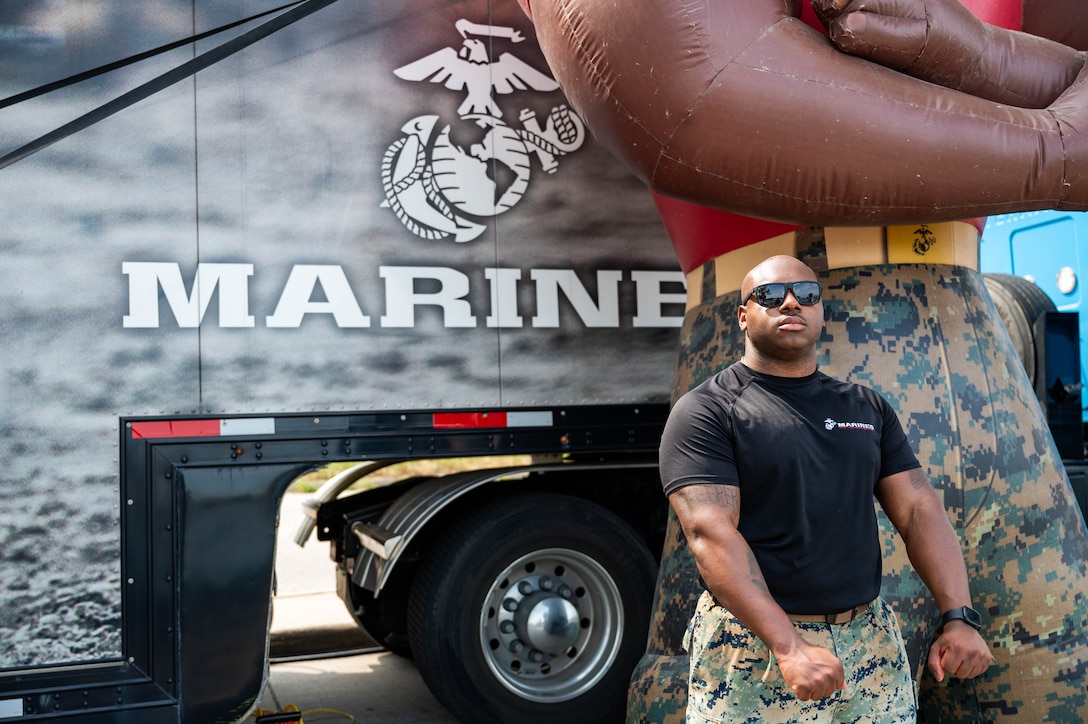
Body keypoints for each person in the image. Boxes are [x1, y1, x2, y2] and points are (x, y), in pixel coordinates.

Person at [659, 255, 993, 722]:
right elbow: (711, 535)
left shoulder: (866, 406)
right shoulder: (708, 411)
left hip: (870, 643)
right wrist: (789, 645)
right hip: (754, 650)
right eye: (772, 296)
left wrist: (959, 616)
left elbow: (918, 510)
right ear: (743, 316)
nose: (792, 302)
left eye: (807, 295)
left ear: (820, 311)